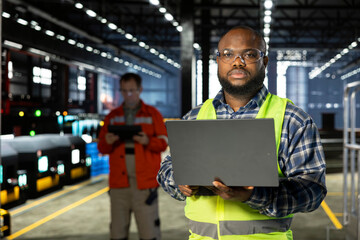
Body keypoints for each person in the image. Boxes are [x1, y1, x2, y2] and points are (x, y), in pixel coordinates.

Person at [157, 26, 327, 240]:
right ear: (218, 61)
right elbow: (166, 169)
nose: (237, 62)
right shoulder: (195, 117)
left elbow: (313, 190)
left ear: (264, 62)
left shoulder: (292, 120)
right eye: (228, 54)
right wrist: (180, 181)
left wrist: (255, 195)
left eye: (249, 54)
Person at [98, 72, 168, 240]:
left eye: (131, 90)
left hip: (144, 187)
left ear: (140, 90)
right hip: (119, 187)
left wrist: (147, 141)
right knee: (117, 234)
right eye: (124, 91)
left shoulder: (153, 114)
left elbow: (163, 143)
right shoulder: (112, 117)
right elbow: (102, 147)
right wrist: (108, 141)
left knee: (149, 234)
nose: (127, 95)